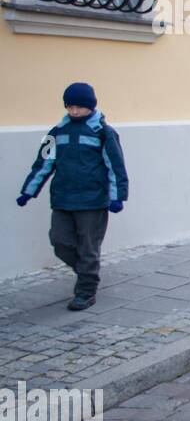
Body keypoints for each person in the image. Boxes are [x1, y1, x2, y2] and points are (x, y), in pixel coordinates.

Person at [17, 82, 129, 311]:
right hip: (62, 199)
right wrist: (28, 191)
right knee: (59, 242)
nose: (74, 111)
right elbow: (43, 163)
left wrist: (118, 197)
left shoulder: (104, 133)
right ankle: (88, 272)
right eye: (70, 107)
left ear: (91, 106)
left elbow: (115, 167)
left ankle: (86, 291)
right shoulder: (56, 133)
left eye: (79, 107)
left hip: (92, 201)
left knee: (88, 246)